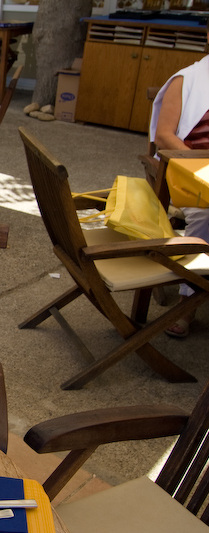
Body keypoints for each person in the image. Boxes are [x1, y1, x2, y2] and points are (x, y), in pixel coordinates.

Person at [150, 21, 209, 338]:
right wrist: (201, 168)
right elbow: (164, 136)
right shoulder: (187, 80)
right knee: (207, 219)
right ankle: (189, 304)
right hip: (193, 172)